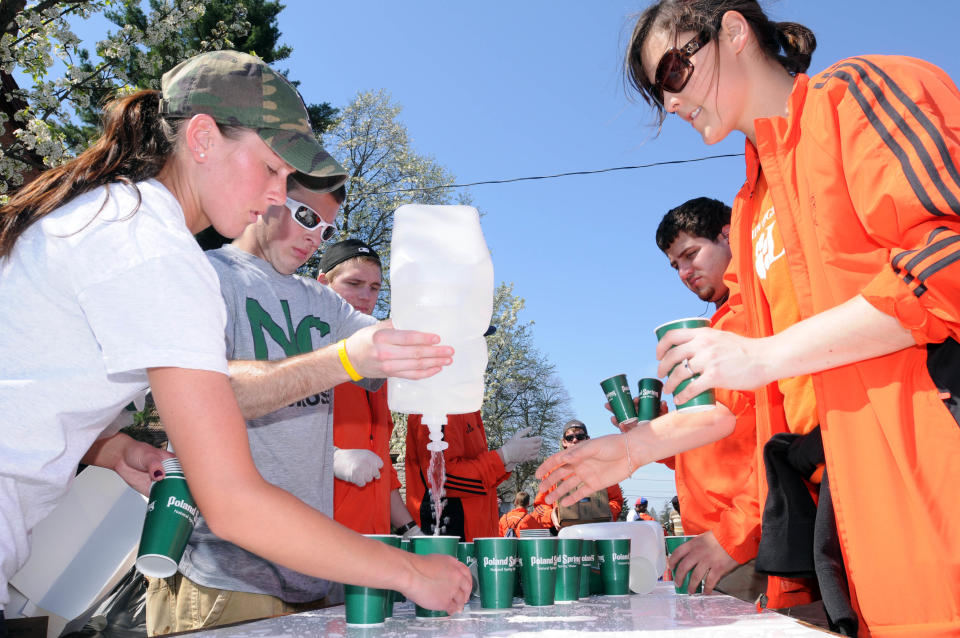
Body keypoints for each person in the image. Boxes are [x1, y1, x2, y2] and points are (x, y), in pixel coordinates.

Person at [0, 50, 470, 638]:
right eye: (272, 170)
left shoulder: (118, 218)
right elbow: (231, 500)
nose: (277, 196)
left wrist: (110, 447)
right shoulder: (156, 251)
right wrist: (406, 571)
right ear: (202, 138)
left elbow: (32, 380)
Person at [548, 2, 960, 634]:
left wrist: (769, 354)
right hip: (839, 512)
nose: (673, 104)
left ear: (734, 32)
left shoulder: (856, 96)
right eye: (660, 94)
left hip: (931, 474)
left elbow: (946, 265)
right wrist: (632, 450)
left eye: (674, 71)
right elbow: (742, 397)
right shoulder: (750, 205)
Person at [655, 197, 812, 607]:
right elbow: (722, 446)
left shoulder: (762, 318)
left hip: (748, 549)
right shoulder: (719, 326)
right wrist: (655, 436)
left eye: (691, 254)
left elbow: (788, 439)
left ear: (729, 234)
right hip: (713, 544)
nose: (685, 273)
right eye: (675, 266)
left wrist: (731, 538)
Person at [316, 238, 421, 538]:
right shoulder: (302, 352)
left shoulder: (376, 372)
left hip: (372, 540)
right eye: (354, 283)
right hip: (317, 538)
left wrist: (410, 528)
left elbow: (381, 467)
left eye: (374, 288)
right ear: (323, 283)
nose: (366, 296)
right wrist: (332, 456)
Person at [405, 415, 541, 541]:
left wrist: (505, 464)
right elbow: (441, 477)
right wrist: (502, 457)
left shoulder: (466, 403)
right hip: (450, 536)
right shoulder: (440, 400)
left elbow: (476, 478)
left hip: (474, 537)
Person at [532, 421, 624, 532]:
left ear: (587, 440)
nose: (575, 440)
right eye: (570, 438)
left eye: (580, 436)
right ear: (564, 442)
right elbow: (540, 506)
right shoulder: (552, 471)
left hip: (597, 533)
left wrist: (606, 512)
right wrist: (551, 515)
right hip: (563, 536)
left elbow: (616, 500)